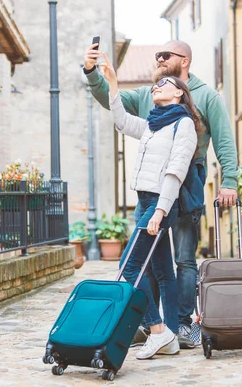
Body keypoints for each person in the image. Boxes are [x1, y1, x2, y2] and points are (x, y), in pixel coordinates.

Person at [83, 40, 238, 348]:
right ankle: (153, 325)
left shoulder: (205, 97)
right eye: (157, 56)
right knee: (151, 262)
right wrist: (92, 73)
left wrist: (229, 180)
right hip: (150, 189)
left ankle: (178, 323)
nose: (159, 59)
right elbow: (111, 102)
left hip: (185, 185)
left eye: (165, 56)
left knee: (183, 258)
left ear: (184, 62)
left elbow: (223, 140)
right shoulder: (147, 94)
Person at [97, 52, 198, 360]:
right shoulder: (154, 124)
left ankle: (156, 329)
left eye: (163, 83)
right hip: (143, 201)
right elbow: (123, 121)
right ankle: (169, 336)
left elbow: (175, 171)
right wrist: (113, 84)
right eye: (155, 84)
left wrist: (159, 211)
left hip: (158, 204)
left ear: (179, 91)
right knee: (163, 271)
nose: (156, 86)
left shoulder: (184, 125)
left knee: (128, 267)